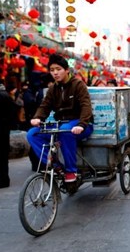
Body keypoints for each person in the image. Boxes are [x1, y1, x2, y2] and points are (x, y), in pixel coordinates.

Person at [27, 54, 94, 183]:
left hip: (80, 124)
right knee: (32, 134)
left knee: (65, 131)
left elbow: (86, 106)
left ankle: (70, 170)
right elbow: (44, 106)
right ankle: (55, 165)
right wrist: (37, 118)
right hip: (61, 125)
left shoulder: (78, 85)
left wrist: (81, 124)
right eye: (52, 70)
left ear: (67, 70)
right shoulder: (53, 89)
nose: (55, 73)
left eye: (58, 69)